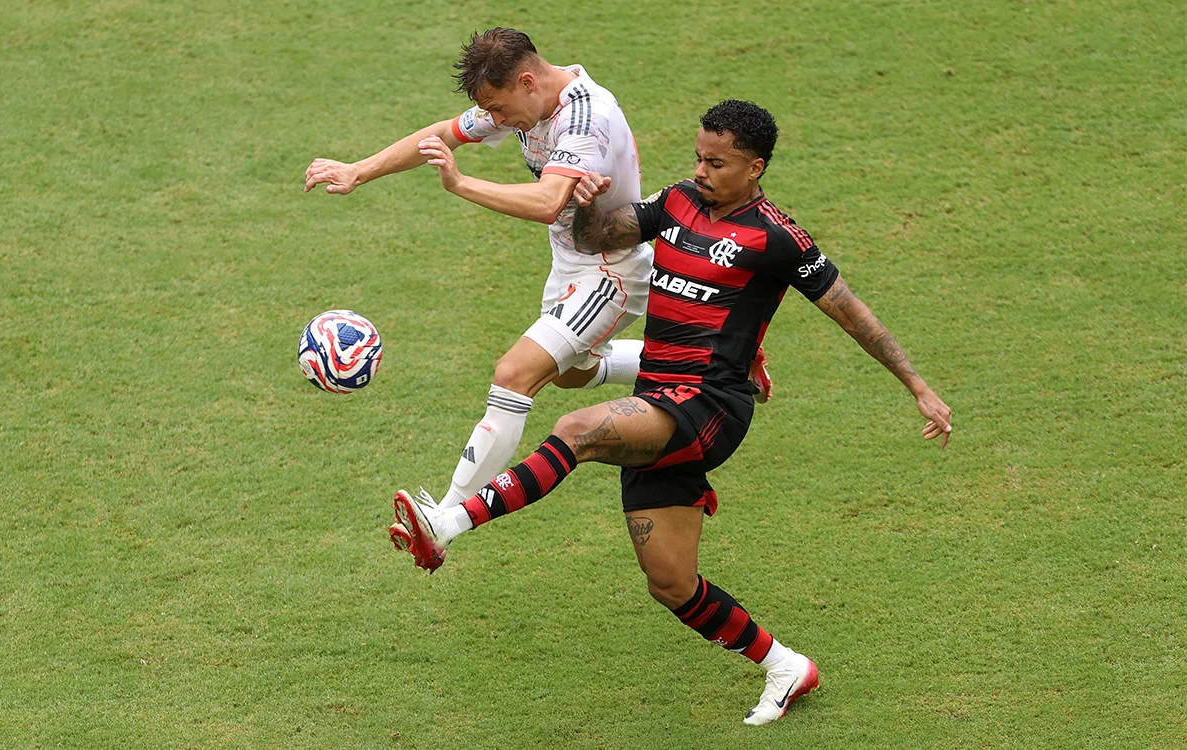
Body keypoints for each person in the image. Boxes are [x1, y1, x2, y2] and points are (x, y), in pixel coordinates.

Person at [390, 99, 954, 725]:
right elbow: (598, 237)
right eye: (698, 157)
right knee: (672, 583)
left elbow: (852, 313)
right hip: (657, 395)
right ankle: (786, 666)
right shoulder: (680, 201)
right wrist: (583, 200)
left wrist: (918, 386)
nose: (702, 171)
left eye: (718, 162)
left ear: (755, 167)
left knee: (576, 429)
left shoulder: (777, 238)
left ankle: (447, 526)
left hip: (709, 404)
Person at [304, 28, 660, 519]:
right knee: (572, 375)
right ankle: (702, 361)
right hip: (571, 261)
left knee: (515, 374)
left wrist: (460, 182)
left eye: (498, 109)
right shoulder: (523, 102)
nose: (495, 121)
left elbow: (546, 201)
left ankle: (444, 516)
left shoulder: (585, 115)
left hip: (612, 273)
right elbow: (444, 133)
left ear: (527, 81)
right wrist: (357, 171)